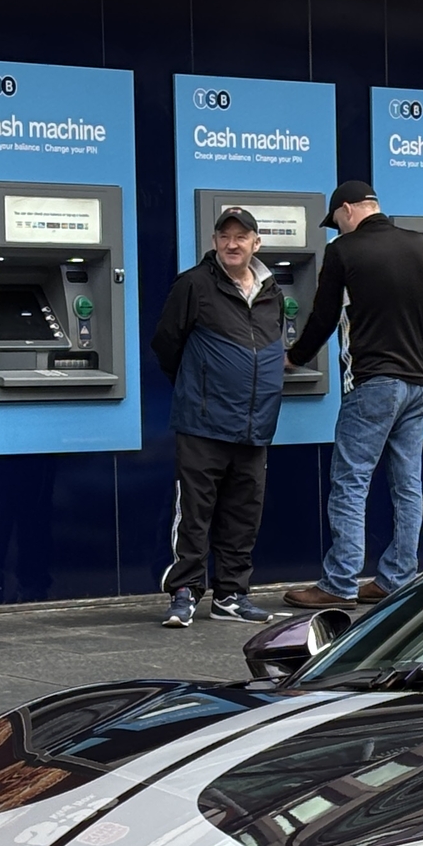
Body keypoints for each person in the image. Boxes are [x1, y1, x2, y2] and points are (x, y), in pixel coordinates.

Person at [285, 180, 423, 608]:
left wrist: (296, 358)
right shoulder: (417, 244)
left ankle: (338, 583)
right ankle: (396, 578)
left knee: (350, 481)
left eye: (335, 222)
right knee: (407, 484)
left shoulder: (345, 250)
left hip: (373, 380)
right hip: (416, 382)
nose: (336, 230)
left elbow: (322, 317)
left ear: (347, 210)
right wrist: (405, 323)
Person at [151, 205, 287, 626]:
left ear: (255, 244)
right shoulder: (194, 285)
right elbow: (165, 344)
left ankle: (232, 595)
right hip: (203, 422)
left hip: (255, 423)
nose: (233, 243)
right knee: (195, 512)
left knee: (244, 514)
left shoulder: (271, 291)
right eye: (225, 236)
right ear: (214, 242)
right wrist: (199, 388)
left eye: (241, 237)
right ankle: (184, 592)